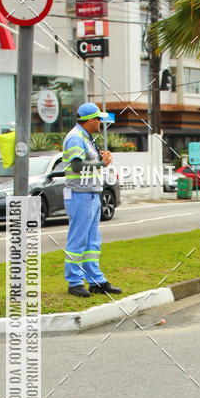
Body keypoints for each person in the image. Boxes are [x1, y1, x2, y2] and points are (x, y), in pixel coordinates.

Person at [61, 102, 122, 298]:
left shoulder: (85, 137)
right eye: (98, 119)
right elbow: (77, 166)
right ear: (90, 120)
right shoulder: (75, 138)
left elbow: (86, 162)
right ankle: (75, 282)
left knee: (92, 242)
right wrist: (101, 163)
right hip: (80, 195)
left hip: (91, 194)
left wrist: (100, 160)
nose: (100, 123)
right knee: (78, 241)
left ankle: (96, 281)